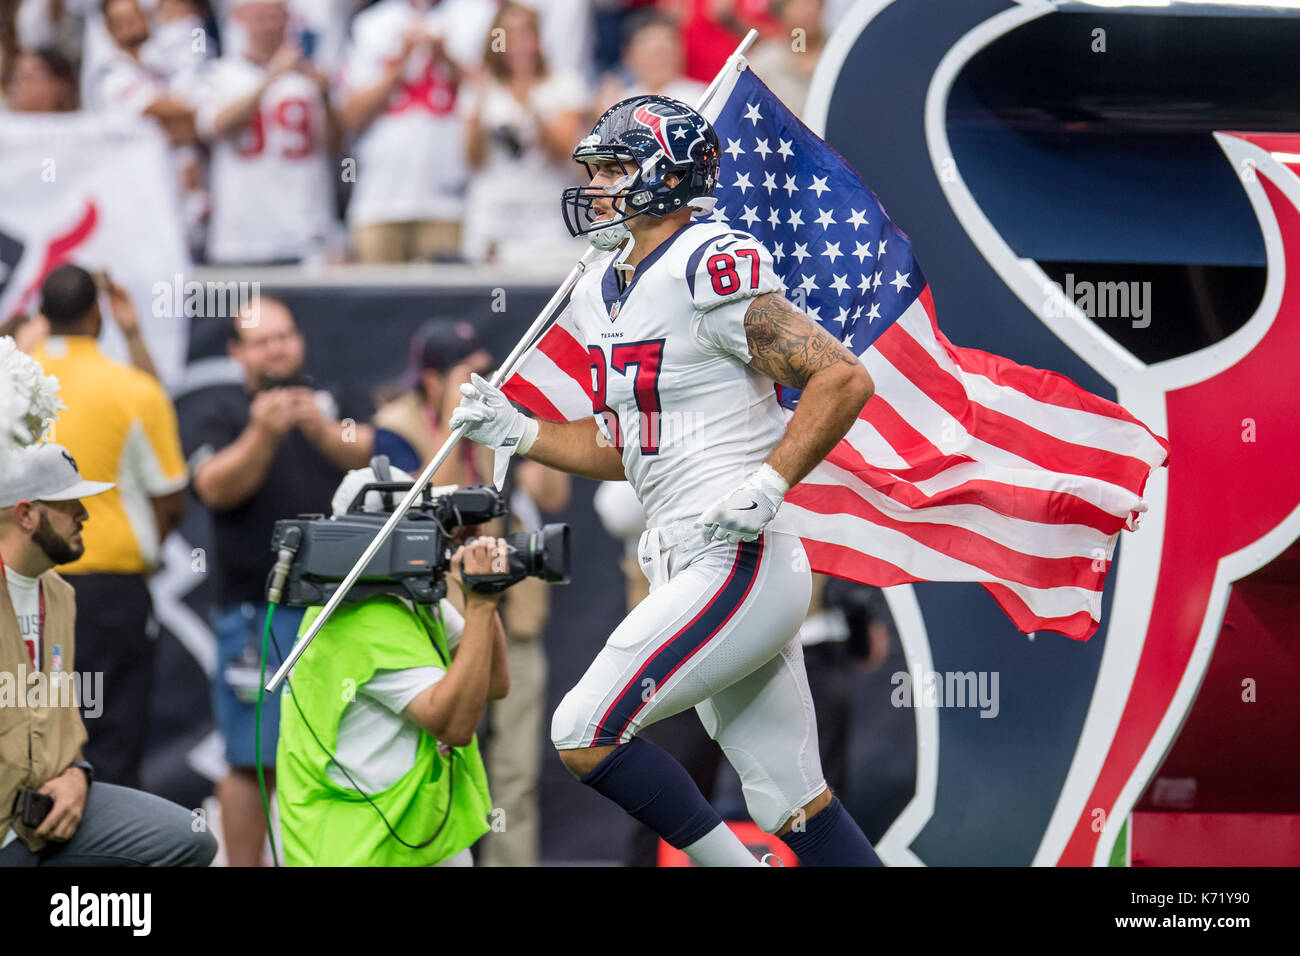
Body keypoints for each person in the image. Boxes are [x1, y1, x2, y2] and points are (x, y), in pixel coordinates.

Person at [451, 94, 883, 866]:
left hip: (737, 551)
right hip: (680, 552)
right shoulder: (601, 285)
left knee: (583, 730)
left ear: (669, 175)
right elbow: (625, 446)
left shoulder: (707, 261)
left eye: (618, 168)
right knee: (796, 806)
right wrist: (521, 432)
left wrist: (772, 481)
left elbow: (842, 380)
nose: (602, 186)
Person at [183, 296, 372, 865]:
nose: (278, 348)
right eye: (263, 341)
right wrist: (263, 435)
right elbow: (212, 487)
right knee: (250, 757)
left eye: (285, 336)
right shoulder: (221, 410)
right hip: (255, 612)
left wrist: (319, 426)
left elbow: (373, 450)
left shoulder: (338, 398)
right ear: (238, 353)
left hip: (341, 608)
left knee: (344, 751)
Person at [275, 464, 509, 866]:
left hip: (403, 838)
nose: (437, 533)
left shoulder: (402, 598)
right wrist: (482, 604)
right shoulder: (365, 616)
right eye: (424, 521)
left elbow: (491, 682)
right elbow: (454, 724)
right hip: (359, 848)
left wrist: (478, 590)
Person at [0, 443, 216, 867]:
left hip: (35, 812)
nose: (85, 514)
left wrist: (77, 775)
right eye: (69, 504)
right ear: (26, 515)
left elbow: (63, 721)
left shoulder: (60, 594)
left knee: (188, 842)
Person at [29, 265, 187, 790]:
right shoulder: (132, 389)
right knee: (110, 743)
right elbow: (171, 497)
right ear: (97, 314)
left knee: (25, 739)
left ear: (41, 312)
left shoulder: (12, 379)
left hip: (20, 587)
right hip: (108, 593)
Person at [335, 0, 494, 262]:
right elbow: (350, 116)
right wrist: (400, 62)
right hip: (378, 200)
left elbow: (498, 98)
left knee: (447, 301)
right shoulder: (370, 22)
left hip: (452, 201)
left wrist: (447, 58)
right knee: (377, 300)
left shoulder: (480, 15)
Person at [193, 0, 338, 265]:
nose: (269, 25)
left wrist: (327, 98)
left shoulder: (309, 78)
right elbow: (215, 126)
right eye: (261, 17)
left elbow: (335, 146)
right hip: (241, 238)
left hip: (303, 234)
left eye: (276, 16)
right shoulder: (219, 75)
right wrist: (271, 78)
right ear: (241, 19)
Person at [461, 0, 587, 266]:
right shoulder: (480, 86)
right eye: (507, 33)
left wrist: (530, 105)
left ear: (538, 38)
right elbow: (472, 159)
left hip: (545, 214)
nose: (516, 42)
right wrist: (478, 102)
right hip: (491, 212)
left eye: (524, 33)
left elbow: (563, 152)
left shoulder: (563, 83)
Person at [745, 0, 827, 118]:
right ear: (783, 10)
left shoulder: (838, 52)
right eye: (803, 4)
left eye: (817, 3)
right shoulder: (764, 60)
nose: (812, 10)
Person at [2, 46, 78, 111]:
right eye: (15, 78)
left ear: (61, 85)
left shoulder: (82, 125)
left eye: (29, 78)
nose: (18, 86)